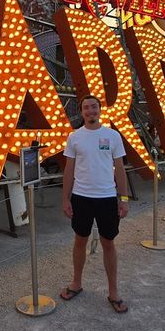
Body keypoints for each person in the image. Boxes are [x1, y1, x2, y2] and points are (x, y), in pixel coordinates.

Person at [60, 95, 129, 314]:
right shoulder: (75, 138)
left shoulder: (112, 136)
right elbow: (69, 170)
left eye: (94, 107)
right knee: (80, 241)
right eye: (86, 108)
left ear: (100, 110)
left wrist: (124, 198)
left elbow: (120, 169)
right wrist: (65, 198)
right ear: (81, 112)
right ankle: (76, 283)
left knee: (109, 243)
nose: (90, 111)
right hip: (81, 197)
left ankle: (113, 292)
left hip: (107, 198)